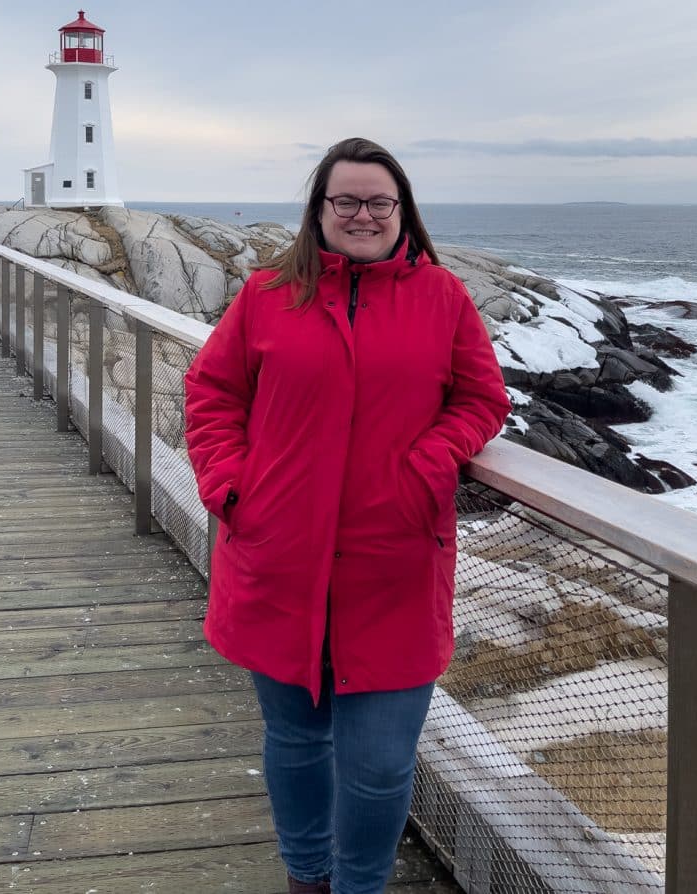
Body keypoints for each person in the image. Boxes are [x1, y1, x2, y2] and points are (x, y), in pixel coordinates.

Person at [184, 137, 511, 894]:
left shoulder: (443, 298)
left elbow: (483, 398)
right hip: (277, 554)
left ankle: (359, 887)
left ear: (402, 211)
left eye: (378, 202)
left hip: (394, 559)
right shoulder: (268, 293)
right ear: (320, 209)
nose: (363, 215)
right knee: (296, 739)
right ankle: (306, 876)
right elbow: (211, 394)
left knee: (380, 763)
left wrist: (431, 462)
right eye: (347, 201)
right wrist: (231, 487)